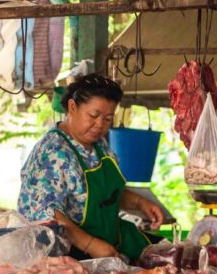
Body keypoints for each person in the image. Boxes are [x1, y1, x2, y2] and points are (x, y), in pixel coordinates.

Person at [18, 73, 164, 261]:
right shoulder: (52, 152)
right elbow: (45, 215)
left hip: (111, 245)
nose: (100, 125)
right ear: (72, 107)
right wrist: (89, 244)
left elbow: (106, 195)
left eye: (108, 118)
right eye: (94, 115)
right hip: (70, 259)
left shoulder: (99, 145)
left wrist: (140, 203)